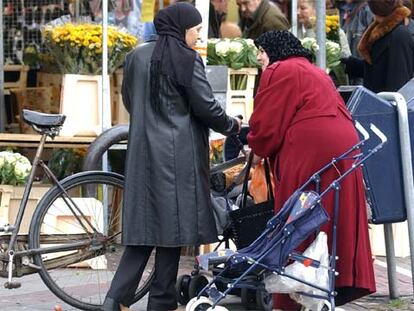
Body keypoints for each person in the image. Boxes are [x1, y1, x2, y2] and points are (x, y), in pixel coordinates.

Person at [101, 3, 241, 311]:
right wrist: (233, 125)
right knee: (172, 229)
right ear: (182, 29)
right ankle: (161, 302)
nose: (197, 36)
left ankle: (114, 300)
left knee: (143, 232)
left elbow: (128, 99)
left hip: (142, 154)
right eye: (195, 30)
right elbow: (206, 107)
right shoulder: (186, 59)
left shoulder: (136, 56)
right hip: (178, 157)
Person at [248, 30, 376, 310]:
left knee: (299, 213)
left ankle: (296, 289)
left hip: (311, 147)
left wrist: (255, 150)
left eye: (261, 49)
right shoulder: (312, 70)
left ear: (275, 50)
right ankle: (329, 285)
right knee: (333, 215)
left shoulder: (279, 69)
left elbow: (267, 125)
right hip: (342, 144)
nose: (258, 56)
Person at [343, 0, 414, 92]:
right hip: (378, 100)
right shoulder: (382, 29)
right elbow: (377, 68)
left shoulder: (398, 35)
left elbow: (398, 85)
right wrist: (348, 64)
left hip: (385, 102)